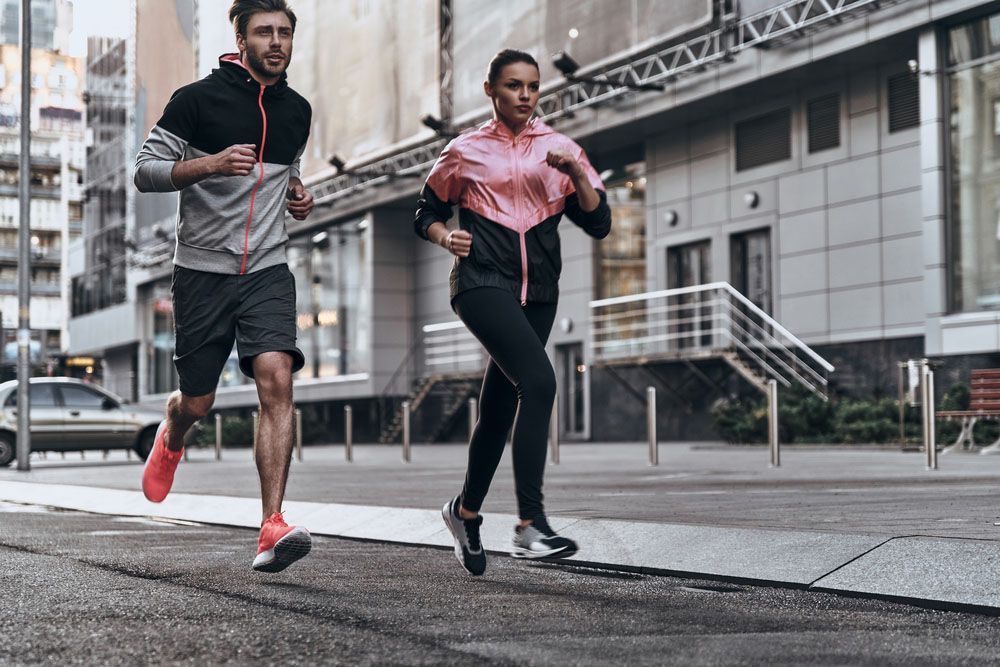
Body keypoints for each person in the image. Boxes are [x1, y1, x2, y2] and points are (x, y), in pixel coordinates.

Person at [414, 49, 612, 576]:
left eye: (533, 86)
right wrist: (445, 236)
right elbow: (426, 211)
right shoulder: (465, 151)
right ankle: (530, 525)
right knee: (540, 382)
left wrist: (577, 175)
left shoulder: (561, 150)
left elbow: (600, 224)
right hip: (481, 283)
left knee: (500, 409)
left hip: (539, 293)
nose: (525, 95)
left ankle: (464, 513)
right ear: (491, 90)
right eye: (513, 85)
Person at [133, 0, 315, 573]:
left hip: (266, 268)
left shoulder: (297, 111)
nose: (277, 42)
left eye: (284, 32)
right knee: (199, 400)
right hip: (201, 272)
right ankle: (173, 432)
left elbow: (288, 171)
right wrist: (208, 164)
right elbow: (144, 171)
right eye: (265, 32)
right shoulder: (196, 101)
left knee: (277, 379)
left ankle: (271, 525)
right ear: (241, 40)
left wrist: (297, 193)